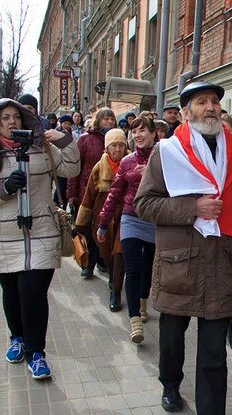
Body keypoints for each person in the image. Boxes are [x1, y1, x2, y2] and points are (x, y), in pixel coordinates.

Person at [134, 81, 232, 415]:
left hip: (222, 268)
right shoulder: (167, 152)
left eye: (215, 102)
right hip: (179, 266)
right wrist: (193, 209)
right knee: (171, 339)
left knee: (212, 358)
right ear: (186, 112)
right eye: (201, 102)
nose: (210, 108)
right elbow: (144, 205)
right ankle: (170, 383)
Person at [0, 98, 80, 379]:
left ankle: (36, 353)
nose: (11, 122)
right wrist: (3, 189)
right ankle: (16, 337)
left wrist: (65, 140)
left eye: (15, 116)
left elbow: (72, 169)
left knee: (33, 294)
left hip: (41, 233)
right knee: (12, 293)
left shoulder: (40, 147)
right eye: (4, 117)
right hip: (2, 237)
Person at [98, 114, 157, 343]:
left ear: (153, 133)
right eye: (135, 131)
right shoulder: (127, 161)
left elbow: (175, 188)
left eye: (143, 130)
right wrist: (103, 223)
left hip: (155, 219)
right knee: (132, 268)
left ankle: (143, 302)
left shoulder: (163, 158)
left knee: (148, 267)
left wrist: (153, 175)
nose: (138, 135)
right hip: (131, 217)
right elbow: (115, 193)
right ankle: (134, 320)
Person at [75, 129, 130, 312]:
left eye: (121, 145)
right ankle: (113, 279)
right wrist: (80, 224)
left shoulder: (132, 164)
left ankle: (115, 290)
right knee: (106, 255)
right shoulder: (99, 168)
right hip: (102, 222)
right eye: (114, 145)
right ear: (107, 148)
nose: (118, 149)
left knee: (120, 253)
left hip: (125, 219)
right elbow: (88, 197)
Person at [68, 107, 116, 278]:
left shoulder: (116, 140)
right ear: (98, 120)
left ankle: (102, 261)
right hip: (86, 193)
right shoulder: (85, 139)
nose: (109, 122)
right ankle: (88, 263)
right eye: (106, 119)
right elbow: (75, 168)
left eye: (112, 119)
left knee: (103, 230)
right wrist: (72, 194)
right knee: (87, 231)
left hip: (108, 196)